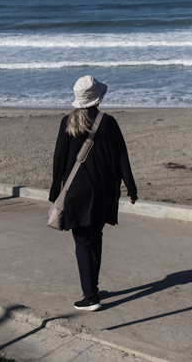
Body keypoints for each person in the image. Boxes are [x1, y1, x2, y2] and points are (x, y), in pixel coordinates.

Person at [49, 75, 138, 313]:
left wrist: (54, 190)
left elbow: (59, 160)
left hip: (76, 193)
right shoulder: (108, 123)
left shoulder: (67, 123)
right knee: (95, 239)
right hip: (103, 192)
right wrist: (131, 187)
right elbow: (122, 158)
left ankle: (90, 297)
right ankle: (92, 288)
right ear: (98, 98)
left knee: (83, 243)